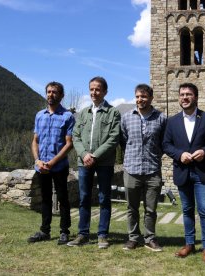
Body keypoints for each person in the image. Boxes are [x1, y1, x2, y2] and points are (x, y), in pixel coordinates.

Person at [163, 83, 205, 264]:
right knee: (186, 210)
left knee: (204, 210)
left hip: (202, 172)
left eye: (188, 94)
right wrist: (179, 154)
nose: (184, 97)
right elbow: (166, 145)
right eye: (182, 94)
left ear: (196, 97)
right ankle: (189, 243)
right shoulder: (172, 121)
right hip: (182, 171)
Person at [67, 76, 121, 249]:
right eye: (91, 89)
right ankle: (83, 234)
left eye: (97, 89)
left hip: (104, 162)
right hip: (84, 162)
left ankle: (102, 235)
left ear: (105, 91)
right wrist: (84, 155)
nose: (94, 92)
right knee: (84, 198)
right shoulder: (83, 113)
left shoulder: (113, 112)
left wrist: (95, 156)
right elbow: (75, 136)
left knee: (104, 198)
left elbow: (114, 138)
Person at [120, 84, 167, 252]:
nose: (140, 100)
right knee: (131, 208)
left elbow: (163, 143)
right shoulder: (126, 118)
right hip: (132, 169)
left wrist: (153, 156)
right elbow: (124, 142)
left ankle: (150, 238)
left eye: (144, 97)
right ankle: (133, 238)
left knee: (150, 208)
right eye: (138, 96)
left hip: (153, 170)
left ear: (151, 98)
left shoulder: (161, 118)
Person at [28, 81, 75, 245]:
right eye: (48, 92)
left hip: (59, 166)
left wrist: (52, 162)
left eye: (54, 92)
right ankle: (44, 231)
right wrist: (37, 161)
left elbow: (69, 143)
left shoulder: (67, 116)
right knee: (46, 198)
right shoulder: (39, 115)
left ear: (61, 96)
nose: (51, 95)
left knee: (63, 198)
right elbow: (35, 141)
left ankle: (64, 231)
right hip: (41, 166)